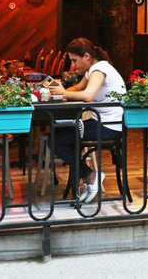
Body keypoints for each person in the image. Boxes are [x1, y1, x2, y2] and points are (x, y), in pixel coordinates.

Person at [48, 38, 126, 203]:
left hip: (109, 126)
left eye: (75, 60)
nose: (74, 65)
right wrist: (58, 90)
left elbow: (88, 95)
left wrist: (63, 94)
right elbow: (78, 88)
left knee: (56, 139)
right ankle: (87, 177)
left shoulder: (99, 69)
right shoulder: (94, 69)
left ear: (87, 56)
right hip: (103, 123)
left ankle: (90, 177)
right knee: (60, 136)